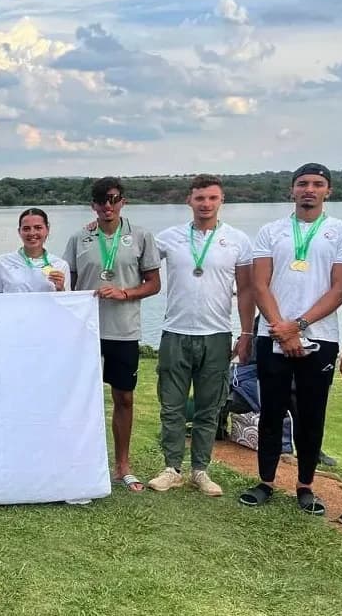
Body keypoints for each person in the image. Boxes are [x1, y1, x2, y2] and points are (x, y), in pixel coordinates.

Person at [240, 163, 342, 516]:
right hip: (273, 336)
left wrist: (297, 325)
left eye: (317, 184)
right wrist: (280, 328)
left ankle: (305, 486)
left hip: (321, 338)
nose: (309, 190)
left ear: (328, 191)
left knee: (311, 416)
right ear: (292, 190)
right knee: (271, 412)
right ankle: (266, 482)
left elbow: (341, 288)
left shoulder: (339, 232)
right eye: (303, 184)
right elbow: (259, 284)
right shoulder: (271, 231)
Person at [148, 174, 255, 497]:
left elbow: (248, 289)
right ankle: (171, 468)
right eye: (199, 198)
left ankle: (200, 470)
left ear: (221, 201)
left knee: (209, 407)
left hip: (217, 334)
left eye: (212, 198)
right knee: (172, 405)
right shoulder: (168, 238)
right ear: (189, 201)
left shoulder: (238, 240)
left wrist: (246, 332)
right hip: (176, 333)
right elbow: (137, 260)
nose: (205, 204)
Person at [64, 177, 161, 492]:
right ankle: (79, 462)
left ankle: (122, 466)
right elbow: (69, 284)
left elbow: (154, 284)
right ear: (93, 205)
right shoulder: (79, 238)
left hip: (123, 330)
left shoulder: (142, 236)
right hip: (85, 330)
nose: (108, 206)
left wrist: (125, 293)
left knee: (124, 397)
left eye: (113, 199)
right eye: (101, 200)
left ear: (123, 202)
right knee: (80, 398)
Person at [0, 208, 69, 293]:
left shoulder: (60, 265)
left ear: (47, 230)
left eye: (38, 228)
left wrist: (61, 289)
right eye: (26, 228)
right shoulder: (3, 262)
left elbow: (67, 302)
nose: (32, 233)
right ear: (19, 231)